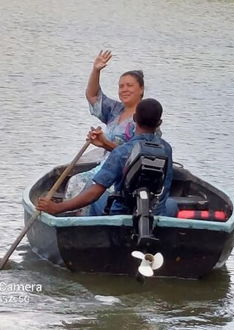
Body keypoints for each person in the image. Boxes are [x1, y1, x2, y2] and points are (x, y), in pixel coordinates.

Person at [38, 98, 177, 217]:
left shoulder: (122, 151)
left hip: (122, 214)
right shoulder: (166, 149)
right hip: (155, 212)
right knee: (171, 205)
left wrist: (57, 208)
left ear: (134, 118)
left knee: (97, 201)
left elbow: (93, 193)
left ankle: (91, 236)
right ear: (159, 123)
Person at [66, 50, 158, 214]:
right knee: (74, 180)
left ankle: (87, 219)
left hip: (127, 174)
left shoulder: (147, 117)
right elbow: (93, 95)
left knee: (85, 184)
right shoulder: (115, 110)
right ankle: (75, 221)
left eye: (130, 85)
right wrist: (96, 70)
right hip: (105, 166)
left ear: (141, 90)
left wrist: (105, 143)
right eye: (121, 86)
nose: (124, 89)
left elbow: (137, 154)